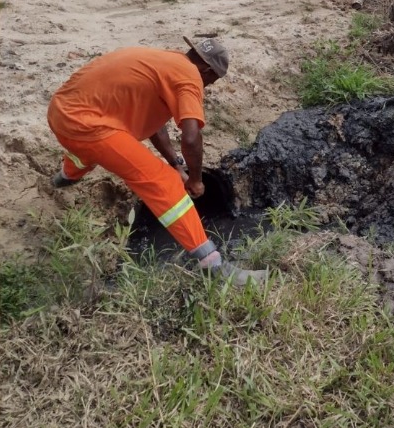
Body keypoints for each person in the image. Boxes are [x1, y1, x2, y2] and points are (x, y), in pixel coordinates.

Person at [47, 34, 260, 281]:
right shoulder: (190, 77)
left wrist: (177, 163)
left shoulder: (165, 61)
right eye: (212, 80)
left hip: (61, 111)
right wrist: (196, 180)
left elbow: (155, 123)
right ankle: (212, 265)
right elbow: (191, 138)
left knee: (89, 150)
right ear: (207, 70)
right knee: (164, 183)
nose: (208, 86)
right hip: (88, 126)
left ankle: (66, 176)